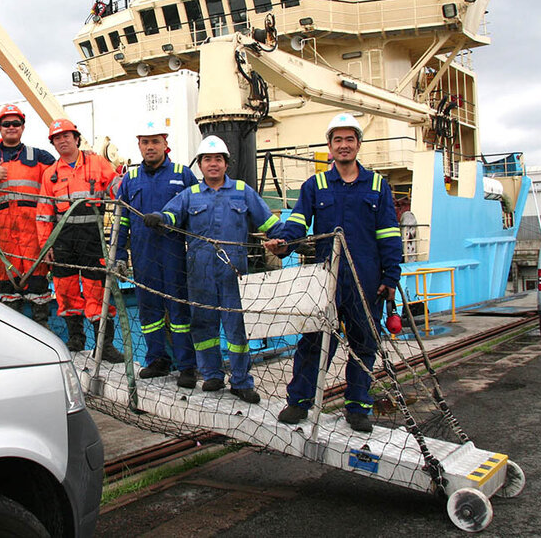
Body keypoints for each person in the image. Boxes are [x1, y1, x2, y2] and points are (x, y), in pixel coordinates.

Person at [265, 113, 403, 433]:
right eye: (337, 140)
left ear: (358, 144)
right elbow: (299, 221)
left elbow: (389, 234)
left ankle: (357, 408)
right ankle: (299, 403)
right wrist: (284, 243)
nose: (344, 145)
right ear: (329, 146)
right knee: (314, 341)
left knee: (363, 343)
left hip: (366, 279)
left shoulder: (378, 186)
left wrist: (390, 277)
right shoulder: (316, 185)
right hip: (326, 277)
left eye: (349, 139)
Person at [144, 135, 282, 403]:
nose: (213, 164)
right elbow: (172, 215)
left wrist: (284, 237)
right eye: (207, 159)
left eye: (218, 159)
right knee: (203, 326)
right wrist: (159, 218)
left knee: (237, 329)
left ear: (226, 164)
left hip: (234, 273)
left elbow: (267, 223)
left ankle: (241, 381)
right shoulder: (190, 195)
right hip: (199, 274)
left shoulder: (243, 191)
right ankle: (212, 375)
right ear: (200, 165)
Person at [115, 116, 198, 387]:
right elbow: (122, 220)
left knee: (179, 310)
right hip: (143, 254)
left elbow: (196, 212)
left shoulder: (182, 174)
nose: (150, 147)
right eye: (145, 142)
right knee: (149, 310)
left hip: (175, 253)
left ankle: (187, 365)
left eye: (155, 142)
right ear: (138, 146)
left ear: (165, 144)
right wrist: (118, 255)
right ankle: (157, 360)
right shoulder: (130, 178)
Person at [37, 119, 124, 363]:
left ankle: (104, 345)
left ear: (77, 138)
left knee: (97, 290)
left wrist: (129, 183)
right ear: (53, 143)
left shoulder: (97, 163)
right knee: (65, 290)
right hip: (62, 239)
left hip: (92, 236)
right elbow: (44, 212)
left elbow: (116, 186)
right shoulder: (50, 174)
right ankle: (76, 340)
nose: (62, 140)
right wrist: (47, 245)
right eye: (57, 138)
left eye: (67, 136)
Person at [0, 104, 55, 323]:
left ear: (23, 127)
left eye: (15, 123)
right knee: (7, 282)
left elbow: (62, 172)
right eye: (6, 124)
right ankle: (16, 335)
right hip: (1, 231)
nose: (11, 127)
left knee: (37, 282)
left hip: (33, 230)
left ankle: (42, 332)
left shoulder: (40, 157)